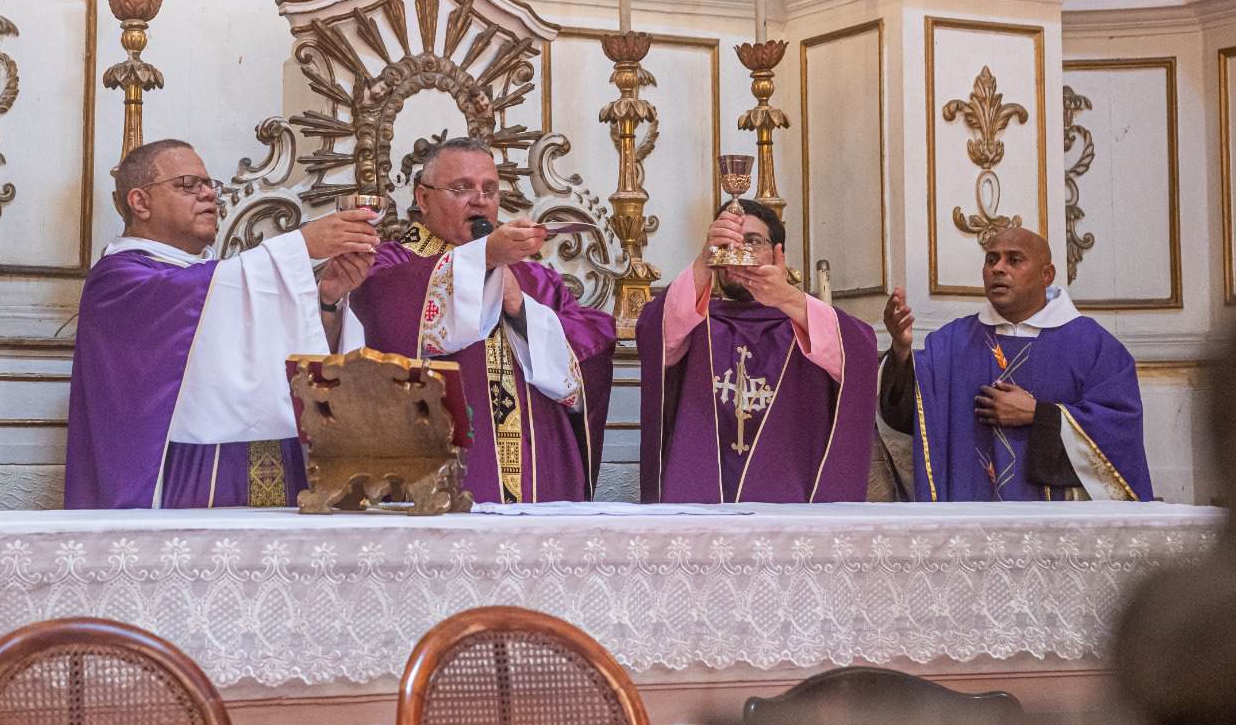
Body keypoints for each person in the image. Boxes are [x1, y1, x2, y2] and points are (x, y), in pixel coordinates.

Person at [64, 138, 379, 510]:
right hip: (186, 476)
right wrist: (300, 246)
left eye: (208, 184)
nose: (208, 195)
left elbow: (292, 363)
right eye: (187, 185)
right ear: (140, 202)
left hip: (277, 468)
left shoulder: (224, 279)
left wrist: (324, 299)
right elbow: (195, 300)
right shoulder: (120, 281)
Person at [343, 137, 616, 503]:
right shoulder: (387, 265)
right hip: (435, 478)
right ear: (423, 199)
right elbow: (383, 315)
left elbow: (591, 347)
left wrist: (523, 311)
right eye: (462, 188)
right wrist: (481, 261)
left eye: (490, 189)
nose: (481, 199)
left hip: (540, 479)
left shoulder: (536, 279)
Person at [880, 226, 1153, 502]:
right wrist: (901, 350)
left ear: (1047, 275)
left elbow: (1120, 428)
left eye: (1014, 259)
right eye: (991, 259)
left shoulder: (1091, 345)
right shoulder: (953, 342)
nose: (998, 268)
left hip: (1055, 524)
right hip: (971, 515)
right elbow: (906, 413)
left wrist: (1040, 415)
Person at [636, 201, 880, 503]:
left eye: (751, 241)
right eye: (728, 244)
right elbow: (655, 336)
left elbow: (860, 356)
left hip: (789, 505)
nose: (738, 253)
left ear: (778, 255)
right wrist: (703, 260)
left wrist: (789, 299)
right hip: (701, 506)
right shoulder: (693, 321)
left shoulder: (806, 322)